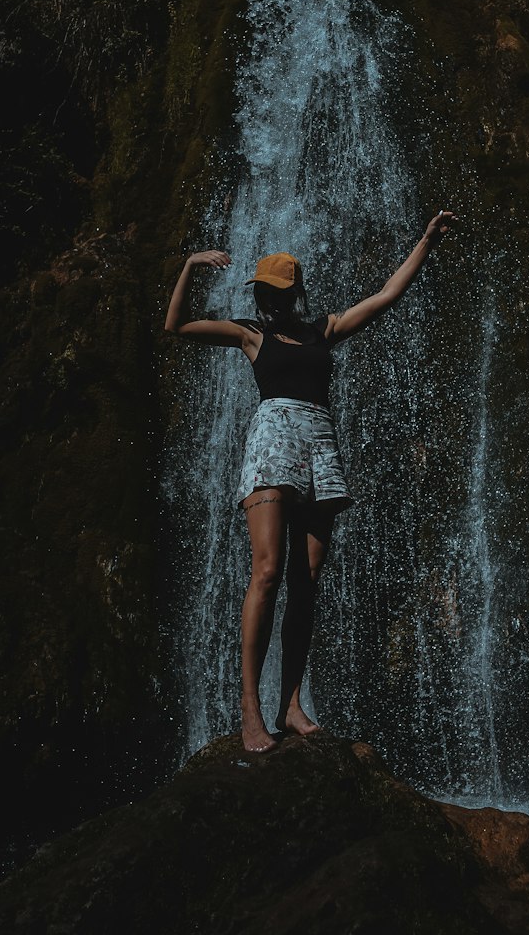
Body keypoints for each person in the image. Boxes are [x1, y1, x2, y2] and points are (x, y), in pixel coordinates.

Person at [164, 208, 458, 752]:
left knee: (309, 576)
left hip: (320, 445)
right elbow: (176, 326)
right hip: (274, 442)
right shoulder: (251, 335)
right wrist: (190, 265)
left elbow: (386, 295)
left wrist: (425, 242)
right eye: (262, 291)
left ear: (293, 293)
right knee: (269, 569)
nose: (267, 300)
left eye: (276, 292)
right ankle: (250, 709)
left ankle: (291, 703)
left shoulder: (323, 329)